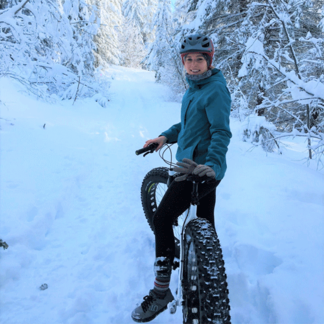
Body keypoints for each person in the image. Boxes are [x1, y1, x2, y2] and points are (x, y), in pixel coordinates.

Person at [131, 34, 232, 323]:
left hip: (197, 170)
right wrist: (164, 137)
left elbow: (221, 132)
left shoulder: (214, 91)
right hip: (199, 168)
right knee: (206, 225)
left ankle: (161, 292)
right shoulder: (195, 89)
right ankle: (207, 280)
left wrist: (210, 165)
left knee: (163, 219)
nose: (194, 65)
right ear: (183, 62)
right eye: (189, 60)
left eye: (200, 59)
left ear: (209, 60)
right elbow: (187, 126)